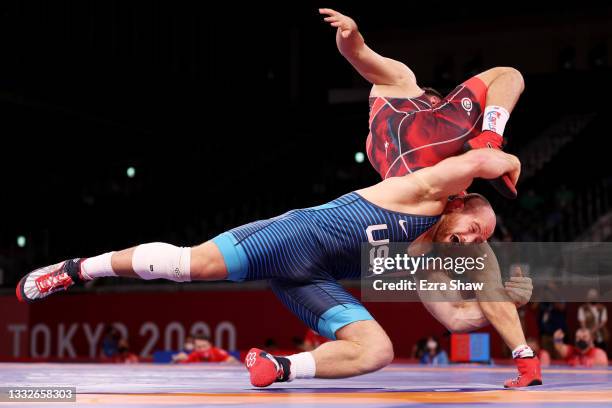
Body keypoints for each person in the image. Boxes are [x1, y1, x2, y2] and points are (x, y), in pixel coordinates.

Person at [16, 148, 538, 388]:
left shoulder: (426, 256)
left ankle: (279, 367)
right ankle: (77, 268)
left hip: (310, 280)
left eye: (482, 241)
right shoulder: (425, 191)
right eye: (474, 229)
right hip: (292, 237)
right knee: (183, 264)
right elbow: (478, 161)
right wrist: (511, 162)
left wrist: (508, 303)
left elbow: (455, 320)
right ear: (459, 204)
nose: (472, 243)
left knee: (377, 350)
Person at [320, 8, 524, 199]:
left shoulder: (372, 144)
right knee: (508, 75)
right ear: (434, 102)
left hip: (403, 193)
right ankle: (491, 138)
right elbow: (356, 52)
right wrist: (350, 36)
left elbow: (355, 52)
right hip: (434, 167)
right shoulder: (403, 81)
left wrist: (349, 35)